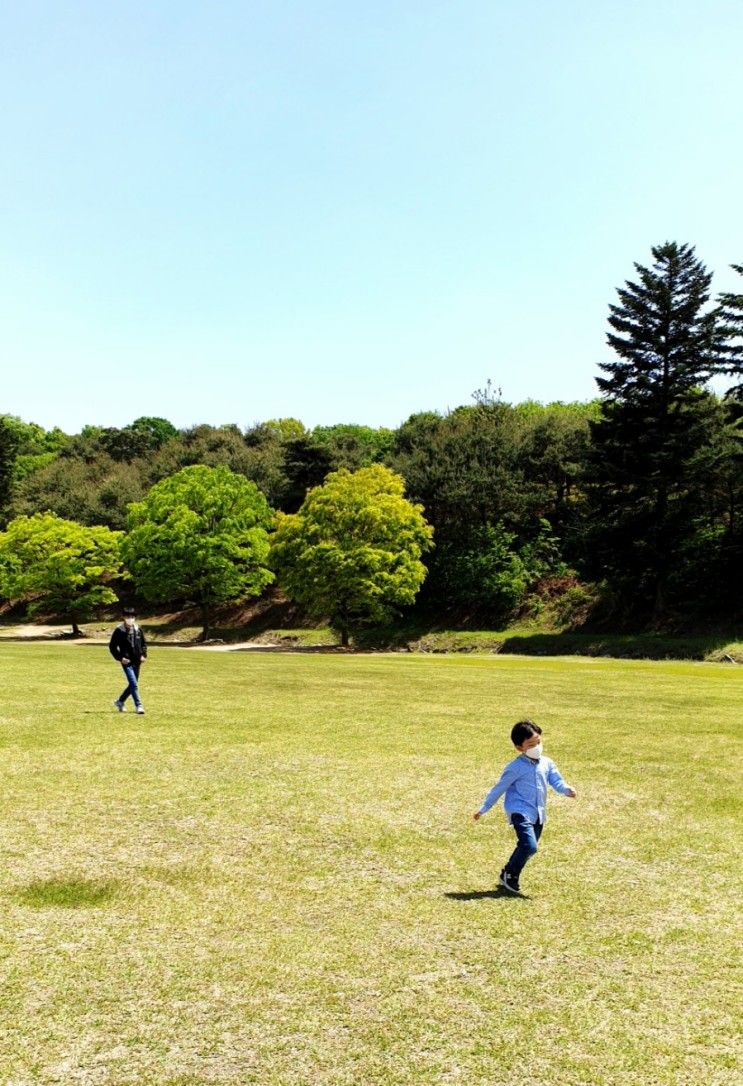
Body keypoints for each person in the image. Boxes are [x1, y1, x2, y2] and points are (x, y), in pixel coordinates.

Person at [473, 719, 576, 893]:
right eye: (531, 744)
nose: (537, 747)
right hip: (520, 812)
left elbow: (556, 780)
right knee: (529, 845)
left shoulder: (547, 763)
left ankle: (509, 872)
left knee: (529, 847)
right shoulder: (515, 767)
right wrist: (484, 808)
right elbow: (499, 788)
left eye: (538, 742)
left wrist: (566, 789)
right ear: (519, 747)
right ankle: (510, 874)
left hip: (538, 813)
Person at [109, 606, 147, 715]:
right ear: (123, 617)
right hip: (126, 662)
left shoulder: (138, 629)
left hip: (137, 661)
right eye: (127, 616)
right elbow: (112, 646)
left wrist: (143, 655)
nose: (130, 618)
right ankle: (139, 705)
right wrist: (120, 658)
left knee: (132, 684)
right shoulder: (119, 631)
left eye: (132, 616)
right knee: (134, 684)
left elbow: (143, 644)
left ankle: (120, 701)